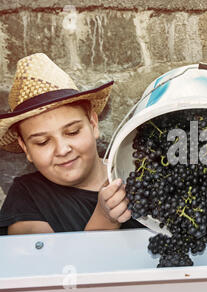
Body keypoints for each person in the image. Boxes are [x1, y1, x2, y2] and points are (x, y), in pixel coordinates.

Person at [0, 53, 143, 235]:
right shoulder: (27, 196)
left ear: (93, 124)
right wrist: (105, 219)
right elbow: (44, 263)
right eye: (42, 142)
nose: (62, 150)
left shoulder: (141, 173)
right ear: (25, 148)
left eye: (72, 132)